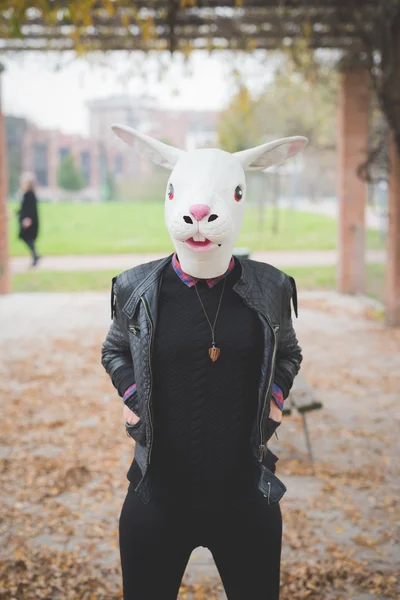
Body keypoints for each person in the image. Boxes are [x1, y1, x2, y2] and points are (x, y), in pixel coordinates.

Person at [101, 125, 308, 600]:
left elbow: (289, 352)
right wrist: (132, 394)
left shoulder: (271, 288)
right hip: (157, 496)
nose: (198, 217)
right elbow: (113, 349)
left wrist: (276, 400)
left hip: (244, 496)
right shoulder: (137, 288)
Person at [18, 172, 40, 267]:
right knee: (27, 238)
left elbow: (30, 209)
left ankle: (35, 255)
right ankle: (35, 255)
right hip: (27, 219)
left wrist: (28, 219)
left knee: (27, 237)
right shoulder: (27, 194)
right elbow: (23, 208)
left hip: (28, 221)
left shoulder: (30, 194)